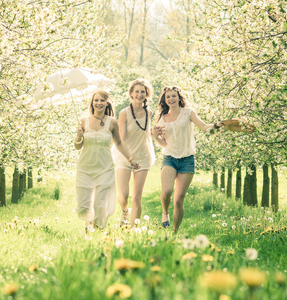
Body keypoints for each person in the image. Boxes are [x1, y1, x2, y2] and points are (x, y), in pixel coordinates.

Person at [151, 86, 255, 233]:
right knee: (167, 191)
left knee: (179, 199)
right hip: (169, 158)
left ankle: (174, 232)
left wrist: (218, 125)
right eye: (168, 97)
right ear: (165, 100)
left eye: (174, 96)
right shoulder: (162, 119)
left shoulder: (188, 112)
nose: (171, 99)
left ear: (179, 98)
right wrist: (155, 138)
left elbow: (204, 127)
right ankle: (165, 212)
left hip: (187, 160)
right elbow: (164, 144)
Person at [74, 90, 139, 231]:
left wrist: (130, 159)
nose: (99, 103)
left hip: (104, 168)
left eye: (102, 100)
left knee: (100, 202)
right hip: (85, 168)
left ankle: (98, 230)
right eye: (96, 100)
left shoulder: (112, 122)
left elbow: (119, 143)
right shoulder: (83, 121)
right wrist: (79, 137)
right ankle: (88, 223)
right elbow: (78, 146)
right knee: (84, 204)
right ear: (92, 103)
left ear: (107, 103)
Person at [112, 79, 155, 227]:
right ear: (131, 93)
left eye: (142, 91)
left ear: (147, 94)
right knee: (123, 196)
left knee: (137, 197)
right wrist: (130, 159)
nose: (139, 94)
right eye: (136, 91)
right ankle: (125, 211)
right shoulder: (124, 113)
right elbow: (121, 139)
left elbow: (146, 133)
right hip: (125, 156)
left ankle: (133, 228)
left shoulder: (149, 112)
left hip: (143, 157)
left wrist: (155, 133)